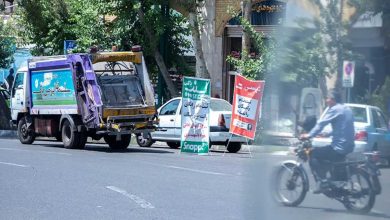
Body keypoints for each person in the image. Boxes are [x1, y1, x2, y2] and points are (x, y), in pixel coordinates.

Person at [300, 89, 355, 194]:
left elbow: (321, 124)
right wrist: (327, 134)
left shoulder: (334, 109)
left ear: (333, 100)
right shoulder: (347, 109)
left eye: (328, 98)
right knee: (326, 153)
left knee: (312, 153)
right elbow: (342, 128)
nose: (326, 100)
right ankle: (333, 181)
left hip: (339, 147)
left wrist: (309, 135)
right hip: (349, 146)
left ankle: (324, 182)